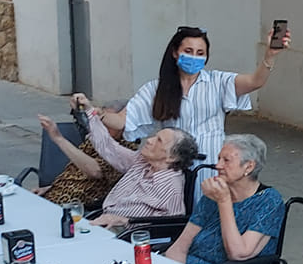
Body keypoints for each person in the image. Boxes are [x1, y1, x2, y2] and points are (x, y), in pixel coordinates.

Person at [86, 22, 289, 164]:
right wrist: (96, 113)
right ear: (175, 53)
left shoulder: (218, 81)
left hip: (211, 164)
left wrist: (270, 56)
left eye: (200, 53)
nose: (194, 57)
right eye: (188, 51)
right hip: (173, 167)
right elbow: (122, 120)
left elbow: (255, 81)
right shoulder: (156, 89)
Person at [33, 112, 195, 228]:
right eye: (154, 136)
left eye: (158, 140)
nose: (150, 140)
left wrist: (125, 221)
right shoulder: (141, 161)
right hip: (101, 221)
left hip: (124, 235)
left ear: (171, 157)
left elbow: (171, 225)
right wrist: (91, 113)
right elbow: (109, 148)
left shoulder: (170, 186)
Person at [164, 134, 284, 264]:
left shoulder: (269, 201)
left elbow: (238, 253)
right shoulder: (213, 194)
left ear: (249, 166)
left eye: (226, 160)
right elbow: (180, 247)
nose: (218, 165)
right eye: (219, 159)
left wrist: (224, 201)